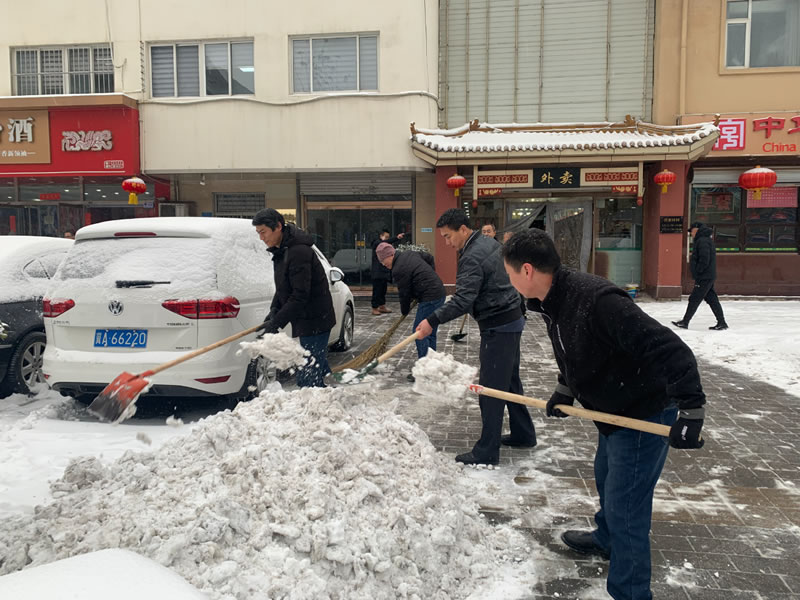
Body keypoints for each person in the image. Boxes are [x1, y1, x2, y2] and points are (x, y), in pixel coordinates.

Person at [502, 228, 706, 600]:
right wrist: (566, 389)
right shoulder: (552, 300)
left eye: (509, 272)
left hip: (642, 413)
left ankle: (630, 591)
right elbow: (574, 350)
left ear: (526, 270)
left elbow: (670, 349)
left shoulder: (597, 301)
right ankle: (608, 538)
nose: (509, 280)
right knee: (606, 477)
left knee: (627, 506)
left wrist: (692, 411)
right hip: (613, 413)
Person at [416, 208, 537, 465]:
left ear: (463, 229)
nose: (447, 243)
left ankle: (487, 451)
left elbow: (462, 300)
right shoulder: (488, 243)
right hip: (512, 318)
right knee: (510, 380)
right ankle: (523, 433)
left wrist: (431, 321)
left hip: (499, 324)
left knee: (490, 389)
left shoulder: (472, 256)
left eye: (448, 236)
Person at [252, 208, 336, 388]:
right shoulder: (281, 250)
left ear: (278, 227)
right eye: (258, 233)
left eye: (263, 232)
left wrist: (276, 323)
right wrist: (274, 311)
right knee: (316, 368)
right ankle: (331, 394)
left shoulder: (298, 252)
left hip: (315, 319)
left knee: (308, 377)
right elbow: (283, 287)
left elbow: (300, 295)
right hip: (306, 318)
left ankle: (318, 398)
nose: (261, 238)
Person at [376, 242, 446, 382]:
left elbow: (404, 293)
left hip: (430, 298)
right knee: (429, 331)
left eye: (383, 260)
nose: (383, 264)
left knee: (419, 332)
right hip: (439, 292)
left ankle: (424, 371)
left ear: (391, 255)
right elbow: (429, 257)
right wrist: (430, 275)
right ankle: (431, 366)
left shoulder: (398, 269)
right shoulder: (409, 253)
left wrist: (404, 311)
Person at [672, 221, 727, 331]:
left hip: (704, 276)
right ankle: (722, 322)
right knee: (712, 299)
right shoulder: (705, 240)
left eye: (691, 231)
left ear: (697, 230)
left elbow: (704, 259)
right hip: (707, 276)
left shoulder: (702, 241)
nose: (691, 234)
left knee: (694, 299)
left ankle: (685, 322)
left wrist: (698, 271)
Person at [370, 229, 405, 316]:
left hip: (384, 272)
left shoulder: (383, 244)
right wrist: (396, 238)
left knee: (383, 290)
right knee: (377, 291)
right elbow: (385, 243)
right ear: (380, 236)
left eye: (388, 237)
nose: (387, 239)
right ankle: (374, 308)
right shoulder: (377, 243)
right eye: (386, 237)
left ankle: (382, 306)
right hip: (377, 272)